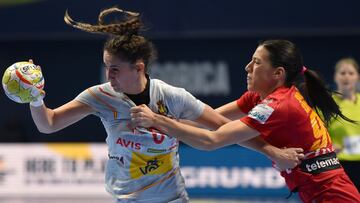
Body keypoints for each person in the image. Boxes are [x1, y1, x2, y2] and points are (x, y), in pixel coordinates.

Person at [24, 7, 304, 203]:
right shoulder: (99, 96)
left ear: (138, 68)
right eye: (106, 68)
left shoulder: (171, 96)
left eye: (115, 69)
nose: (108, 76)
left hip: (170, 197)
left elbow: (223, 127)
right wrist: (35, 98)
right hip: (124, 197)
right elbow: (48, 124)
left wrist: (272, 151)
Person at [131, 39, 360, 202]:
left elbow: (212, 140)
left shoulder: (278, 104)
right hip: (314, 192)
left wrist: (159, 122)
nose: (247, 67)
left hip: (333, 195)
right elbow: (212, 120)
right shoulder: (258, 98)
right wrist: (160, 122)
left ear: (277, 74)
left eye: (257, 62)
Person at [328, 57, 360, 191]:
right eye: (342, 73)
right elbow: (315, 130)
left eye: (350, 73)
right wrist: (328, 145)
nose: (346, 77)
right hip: (338, 164)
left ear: (357, 77)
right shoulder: (327, 104)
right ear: (336, 77)